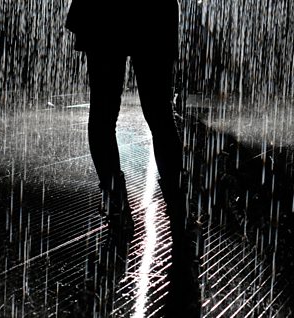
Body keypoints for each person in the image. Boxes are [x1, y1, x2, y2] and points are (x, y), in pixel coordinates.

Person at [66, 1, 201, 317]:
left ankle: (117, 203)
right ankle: (178, 214)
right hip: (150, 11)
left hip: (104, 12)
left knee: (103, 112)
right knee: (159, 114)